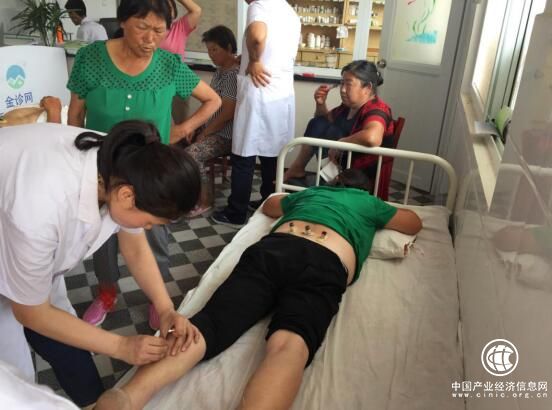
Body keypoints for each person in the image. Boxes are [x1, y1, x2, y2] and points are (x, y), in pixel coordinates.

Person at [94, 170, 423, 410]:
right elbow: (413, 222)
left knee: (209, 325)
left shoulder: (311, 194)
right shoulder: (368, 203)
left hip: (274, 249)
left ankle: (128, 397)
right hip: (324, 261)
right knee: (290, 343)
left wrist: (308, 196)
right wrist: (378, 211)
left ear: (334, 182)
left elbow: (270, 205)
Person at [0, 120, 202, 407]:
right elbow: (31, 313)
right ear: (127, 196)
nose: (146, 229)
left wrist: (166, 308)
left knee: (66, 338)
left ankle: (94, 400)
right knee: (14, 379)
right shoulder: (39, 207)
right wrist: (121, 346)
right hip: (16, 224)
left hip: (26, 240)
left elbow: (135, 248)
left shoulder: (127, 163)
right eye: (149, 222)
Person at [67, 0, 221, 327]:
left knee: (154, 234)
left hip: (153, 170)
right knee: (102, 235)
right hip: (101, 169)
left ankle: (156, 298)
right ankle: (106, 292)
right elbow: (76, 114)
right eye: (142, 28)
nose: (151, 39)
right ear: (123, 22)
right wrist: (76, 163)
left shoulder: (168, 65)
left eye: (159, 31)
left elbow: (213, 100)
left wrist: (180, 130)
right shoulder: (91, 58)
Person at [211, 0, 301, 228]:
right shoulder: (288, 11)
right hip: (280, 94)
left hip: (259, 92)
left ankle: (236, 213)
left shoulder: (259, 5)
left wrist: (254, 60)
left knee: (244, 155)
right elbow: (274, 47)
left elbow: (258, 37)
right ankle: (268, 203)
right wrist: (248, 58)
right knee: (273, 154)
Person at [284, 60, 395, 186]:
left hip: (359, 175)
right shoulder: (347, 107)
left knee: (332, 130)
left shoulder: (377, 109)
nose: (342, 90)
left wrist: (340, 143)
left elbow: (372, 138)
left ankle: (324, 182)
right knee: (317, 123)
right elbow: (321, 124)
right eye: (342, 83)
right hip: (338, 165)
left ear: (367, 88)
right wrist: (320, 104)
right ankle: (298, 170)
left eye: (349, 84)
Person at [183, 25, 239, 217]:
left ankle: (205, 200)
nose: (211, 55)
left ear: (229, 48)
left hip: (226, 136)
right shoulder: (220, 72)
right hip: (213, 130)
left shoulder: (233, 75)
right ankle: (187, 194)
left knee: (192, 154)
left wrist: (205, 133)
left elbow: (228, 113)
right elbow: (209, 104)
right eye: (209, 50)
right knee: (178, 141)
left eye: (215, 49)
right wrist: (195, 125)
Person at [160, 0, 202, 124]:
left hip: (178, 81)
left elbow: (196, 10)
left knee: (182, 123)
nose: (166, 11)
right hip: (154, 83)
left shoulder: (179, 27)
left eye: (169, 7)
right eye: (162, 7)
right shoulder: (148, 32)